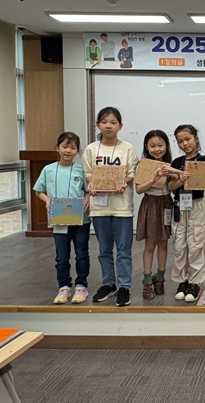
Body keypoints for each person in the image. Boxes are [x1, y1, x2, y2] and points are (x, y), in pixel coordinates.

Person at [82, 107, 139, 306]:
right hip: (99, 207)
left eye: (113, 122)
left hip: (122, 206)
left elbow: (132, 173)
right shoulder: (91, 149)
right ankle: (109, 284)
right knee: (104, 250)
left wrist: (123, 181)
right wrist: (94, 184)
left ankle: (124, 287)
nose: (108, 125)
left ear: (120, 126)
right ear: (98, 125)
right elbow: (88, 173)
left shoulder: (128, 148)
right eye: (104, 122)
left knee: (123, 250)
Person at [33, 132, 91, 304]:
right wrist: (47, 200)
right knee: (61, 255)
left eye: (73, 148)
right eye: (65, 146)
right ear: (57, 148)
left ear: (78, 151)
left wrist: (87, 198)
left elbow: (88, 190)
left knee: (82, 253)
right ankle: (64, 286)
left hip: (80, 219)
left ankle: (81, 285)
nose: (68, 151)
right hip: (59, 219)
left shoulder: (81, 170)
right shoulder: (48, 169)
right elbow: (38, 190)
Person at [167, 125, 205, 302]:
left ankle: (195, 282)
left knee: (196, 244)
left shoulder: (204, 159)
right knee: (179, 244)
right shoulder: (176, 162)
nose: (185, 144)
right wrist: (180, 179)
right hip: (179, 205)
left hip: (196, 205)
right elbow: (171, 187)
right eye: (180, 141)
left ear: (196, 138)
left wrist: (190, 176)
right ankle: (182, 281)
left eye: (188, 139)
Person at [135, 130, 173, 300]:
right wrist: (153, 178)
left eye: (160, 145)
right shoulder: (143, 165)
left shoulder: (170, 164)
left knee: (163, 243)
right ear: (146, 147)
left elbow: (173, 186)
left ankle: (160, 278)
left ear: (166, 146)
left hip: (166, 204)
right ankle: (147, 281)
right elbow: (138, 190)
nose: (157, 149)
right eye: (152, 146)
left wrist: (175, 173)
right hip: (150, 203)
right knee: (150, 244)